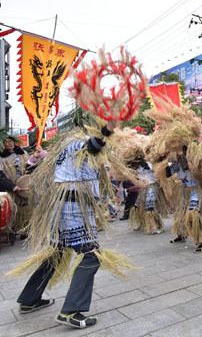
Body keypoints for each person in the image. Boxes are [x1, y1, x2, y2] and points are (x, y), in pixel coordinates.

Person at [8, 121, 136, 329]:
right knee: (91, 256)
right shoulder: (78, 142)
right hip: (73, 206)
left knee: (57, 253)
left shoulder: (66, 144)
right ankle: (71, 311)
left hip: (62, 205)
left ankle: (29, 299)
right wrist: (107, 131)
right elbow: (93, 145)